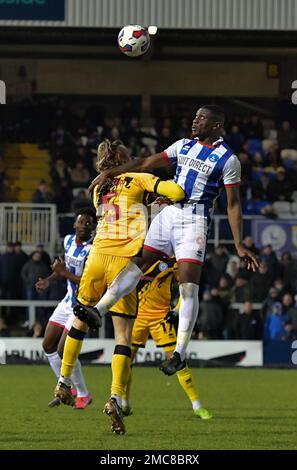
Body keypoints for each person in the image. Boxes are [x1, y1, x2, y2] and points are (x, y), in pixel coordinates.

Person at [84, 104, 259, 376]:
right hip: (169, 214)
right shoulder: (183, 146)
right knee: (136, 264)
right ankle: (99, 310)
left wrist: (239, 244)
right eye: (195, 116)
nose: (195, 121)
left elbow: (233, 204)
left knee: (188, 286)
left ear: (216, 126)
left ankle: (179, 353)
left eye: (202, 118)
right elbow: (143, 163)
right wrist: (110, 173)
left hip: (194, 222)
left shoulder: (228, 160)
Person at [53, 139, 185, 434]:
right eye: (132, 154)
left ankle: (63, 380)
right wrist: (159, 192)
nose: (138, 157)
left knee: (80, 319)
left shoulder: (100, 187)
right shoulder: (139, 177)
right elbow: (177, 191)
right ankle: (115, 396)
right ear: (124, 158)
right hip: (124, 264)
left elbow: (123, 204)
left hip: (97, 257)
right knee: (122, 335)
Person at [121, 258, 212, 420]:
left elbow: (186, 289)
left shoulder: (172, 263)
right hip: (137, 318)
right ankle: (125, 404)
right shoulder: (137, 258)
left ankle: (197, 406)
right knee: (126, 361)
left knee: (177, 360)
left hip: (161, 318)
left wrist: (176, 310)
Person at [35, 208, 96, 409]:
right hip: (67, 301)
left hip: (81, 306)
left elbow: (87, 281)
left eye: (88, 223)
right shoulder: (68, 241)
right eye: (81, 222)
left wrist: (62, 272)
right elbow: (63, 268)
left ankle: (83, 394)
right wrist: (49, 280)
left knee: (63, 349)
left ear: (93, 227)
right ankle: (67, 388)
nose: (84, 226)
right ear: (74, 224)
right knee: (47, 345)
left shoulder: (93, 249)